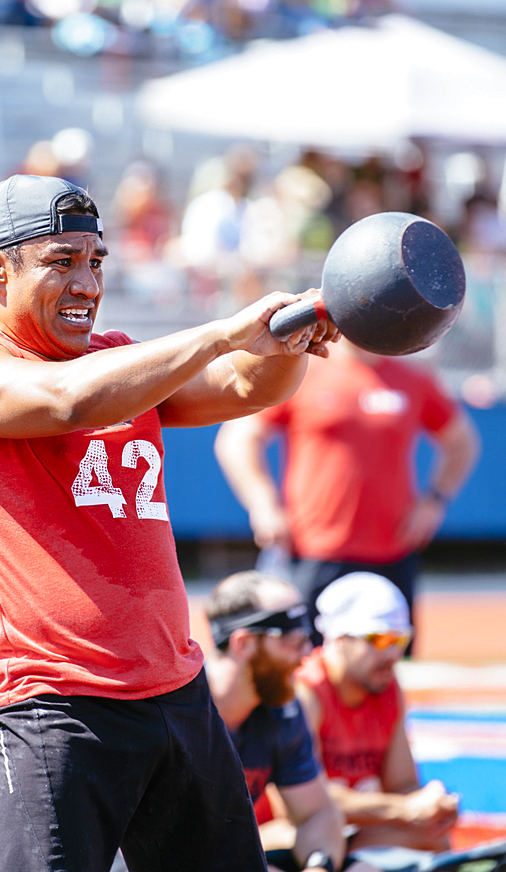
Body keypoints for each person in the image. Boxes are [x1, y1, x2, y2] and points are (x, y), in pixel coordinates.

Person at [0, 173, 339, 872]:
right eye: (61, 262)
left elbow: (240, 386)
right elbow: (66, 401)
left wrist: (293, 340)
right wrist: (223, 331)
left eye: (95, 260)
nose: (85, 282)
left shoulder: (115, 357)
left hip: (176, 692)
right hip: (53, 706)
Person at [214, 336, 480, 637]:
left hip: (391, 550)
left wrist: (435, 500)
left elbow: (461, 442)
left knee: (387, 662)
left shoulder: (414, 379)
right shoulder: (302, 372)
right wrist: (263, 504)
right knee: (302, 660)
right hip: (312, 549)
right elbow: (238, 439)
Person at [295, 572, 459, 852]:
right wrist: (404, 809)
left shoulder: (385, 689)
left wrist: (431, 805)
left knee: (434, 838)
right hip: (290, 834)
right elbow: (303, 803)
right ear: (339, 638)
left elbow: (403, 783)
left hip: (344, 833)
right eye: (380, 640)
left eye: (401, 640)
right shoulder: (306, 693)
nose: (393, 654)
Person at [204, 570, 345, 872]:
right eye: (291, 639)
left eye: (306, 636)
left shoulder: (282, 711)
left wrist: (319, 866)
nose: (307, 653)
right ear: (243, 643)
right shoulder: (176, 711)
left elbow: (317, 813)